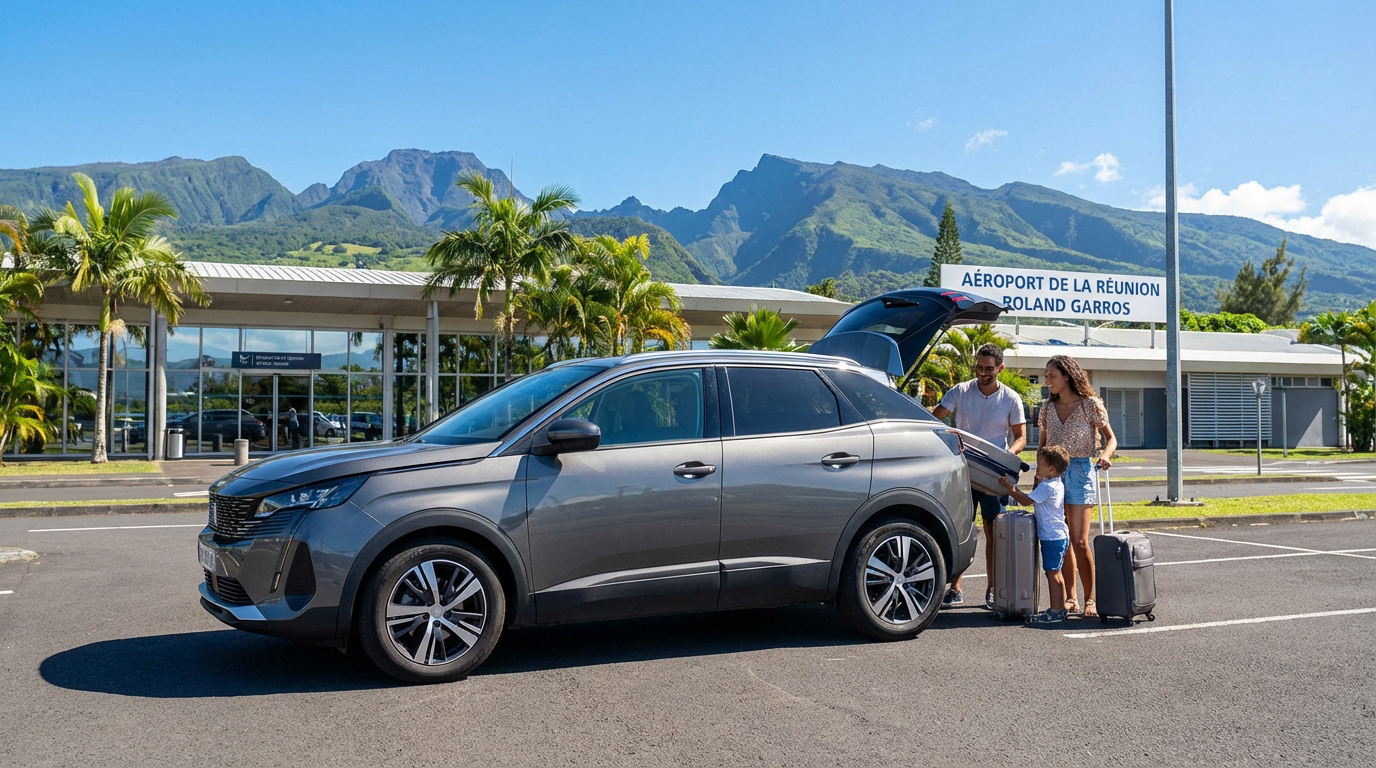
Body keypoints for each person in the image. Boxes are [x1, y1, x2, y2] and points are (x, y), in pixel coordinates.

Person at [933, 342, 1028, 608]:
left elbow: (1020, 436)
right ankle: (955, 588)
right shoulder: (961, 391)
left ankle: (993, 589)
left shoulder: (1010, 398)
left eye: (988, 369)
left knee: (992, 530)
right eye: (979, 367)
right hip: (962, 470)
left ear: (1000, 368)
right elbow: (935, 416)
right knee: (959, 528)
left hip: (993, 475)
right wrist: (944, 437)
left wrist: (1008, 454)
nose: (982, 373)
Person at [1038, 354, 1117, 619]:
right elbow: (1042, 446)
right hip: (1052, 475)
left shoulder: (1090, 405)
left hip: (1081, 471)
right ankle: (1070, 598)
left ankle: (1090, 599)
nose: (1047, 381)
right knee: (1063, 539)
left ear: (1067, 376)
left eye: (1052, 376)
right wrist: (1039, 475)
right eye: (1046, 375)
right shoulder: (1048, 408)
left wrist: (1105, 456)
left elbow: (1111, 439)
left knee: (1080, 540)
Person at [999, 445, 1071, 624]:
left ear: (1052, 469)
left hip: (1052, 536)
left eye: (1040, 464)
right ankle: (1059, 608)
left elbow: (1025, 501)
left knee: (1052, 573)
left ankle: (1055, 611)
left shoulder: (1048, 487)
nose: (1036, 467)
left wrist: (1010, 488)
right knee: (1055, 572)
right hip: (1058, 534)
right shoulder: (1055, 483)